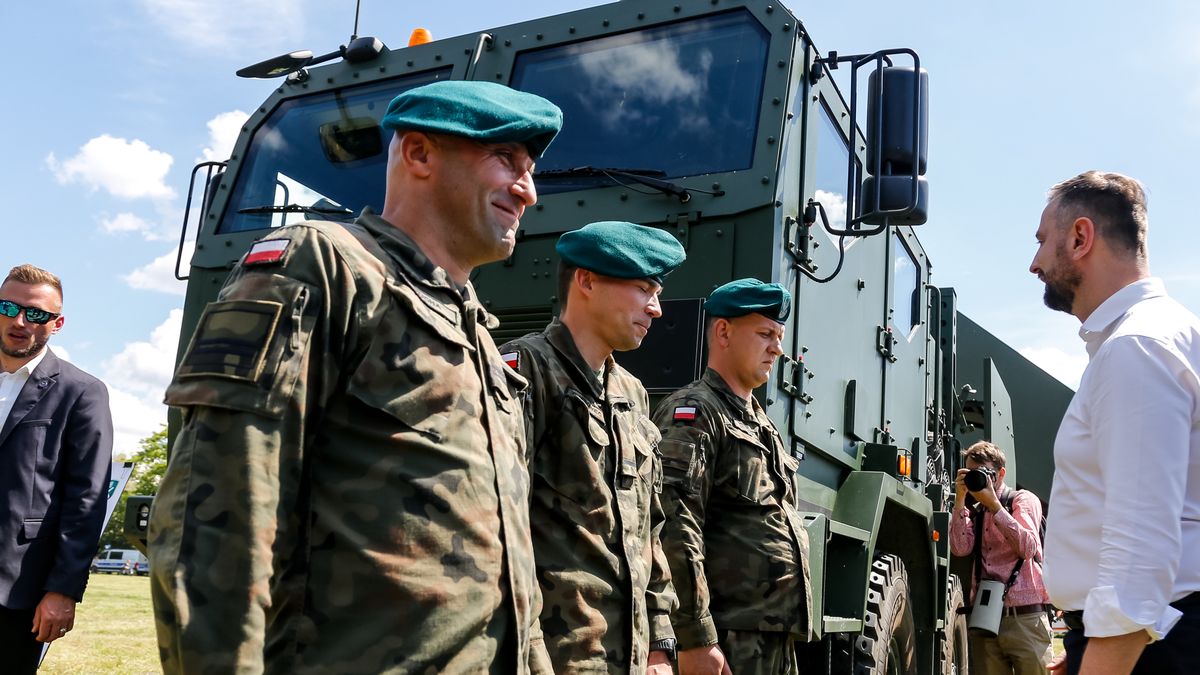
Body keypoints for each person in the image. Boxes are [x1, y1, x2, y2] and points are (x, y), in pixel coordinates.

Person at [148, 81, 563, 673]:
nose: (529, 190)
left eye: (530, 169)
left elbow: (510, 563)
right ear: (418, 155)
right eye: (505, 160)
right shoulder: (324, 266)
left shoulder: (476, 331)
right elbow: (219, 513)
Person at [1030, 171, 1200, 675]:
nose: (1035, 263)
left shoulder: (1136, 348)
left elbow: (1140, 550)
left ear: (1081, 238)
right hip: (1152, 638)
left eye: (1042, 241)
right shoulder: (1165, 334)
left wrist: (1103, 658)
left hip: (1156, 646)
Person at [498, 220, 683, 674]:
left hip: (631, 658)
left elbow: (649, 526)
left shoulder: (633, 392)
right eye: (643, 289)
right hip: (557, 657)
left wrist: (660, 642)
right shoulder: (526, 372)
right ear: (586, 281)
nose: (656, 308)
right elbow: (498, 529)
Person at [651, 278, 812, 675]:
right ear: (723, 332)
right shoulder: (695, 411)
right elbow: (674, 526)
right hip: (726, 636)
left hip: (771, 634)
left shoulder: (760, 423)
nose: (777, 347)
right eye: (764, 334)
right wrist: (695, 637)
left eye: (779, 336)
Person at [0, 264, 113, 675]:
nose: (19, 321)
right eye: (8, 307)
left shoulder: (81, 392)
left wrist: (63, 589)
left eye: (36, 314)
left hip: (15, 592)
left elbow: (87, 499)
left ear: (57, 323)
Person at [948, 441, 1052, 675]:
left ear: (1001, 473)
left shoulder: (1022, 500)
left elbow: (1028, 547)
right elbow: (959, 548)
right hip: (986, 621)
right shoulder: (975, 511)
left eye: (985, 473)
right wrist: (960, 500)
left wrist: (995, 506)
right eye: (972, 473)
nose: (979, 479)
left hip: (1026, 619)